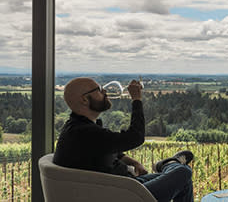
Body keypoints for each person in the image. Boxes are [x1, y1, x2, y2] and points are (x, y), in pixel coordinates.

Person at [53, 77, 194, 202]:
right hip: (123, 196)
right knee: (183, 172)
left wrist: (134, 162)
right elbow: (136, 137)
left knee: (184, 176)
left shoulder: (78, 128)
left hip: (126, 186)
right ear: (84, 99)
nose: (105, 92)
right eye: (99, 90)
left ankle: (171, 164)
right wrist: (136, 99)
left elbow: (108, 150)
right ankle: (170, 164)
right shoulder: (84, 132)